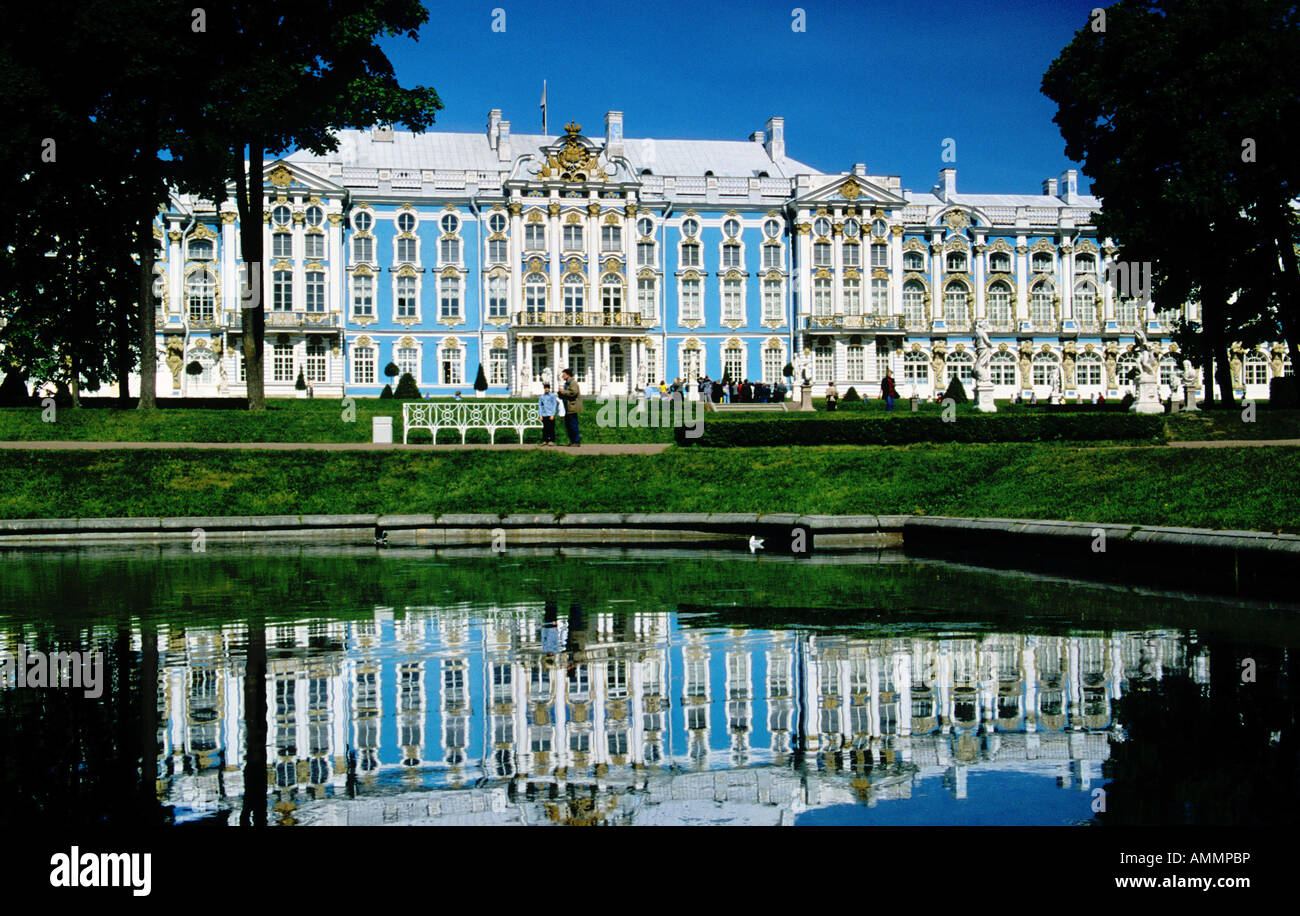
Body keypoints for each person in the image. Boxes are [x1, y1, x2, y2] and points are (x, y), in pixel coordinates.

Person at [559, 368, 583, 445]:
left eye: (564, 374)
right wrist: (560, 393)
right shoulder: (567, 383)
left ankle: (576, 441)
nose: (562, 376)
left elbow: (573, 392)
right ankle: (572, 441)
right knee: (568, 425)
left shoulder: (573, 383)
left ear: (568, 374)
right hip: (567, 407)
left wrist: (563, 391)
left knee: (573, 424)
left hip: (572, 406)